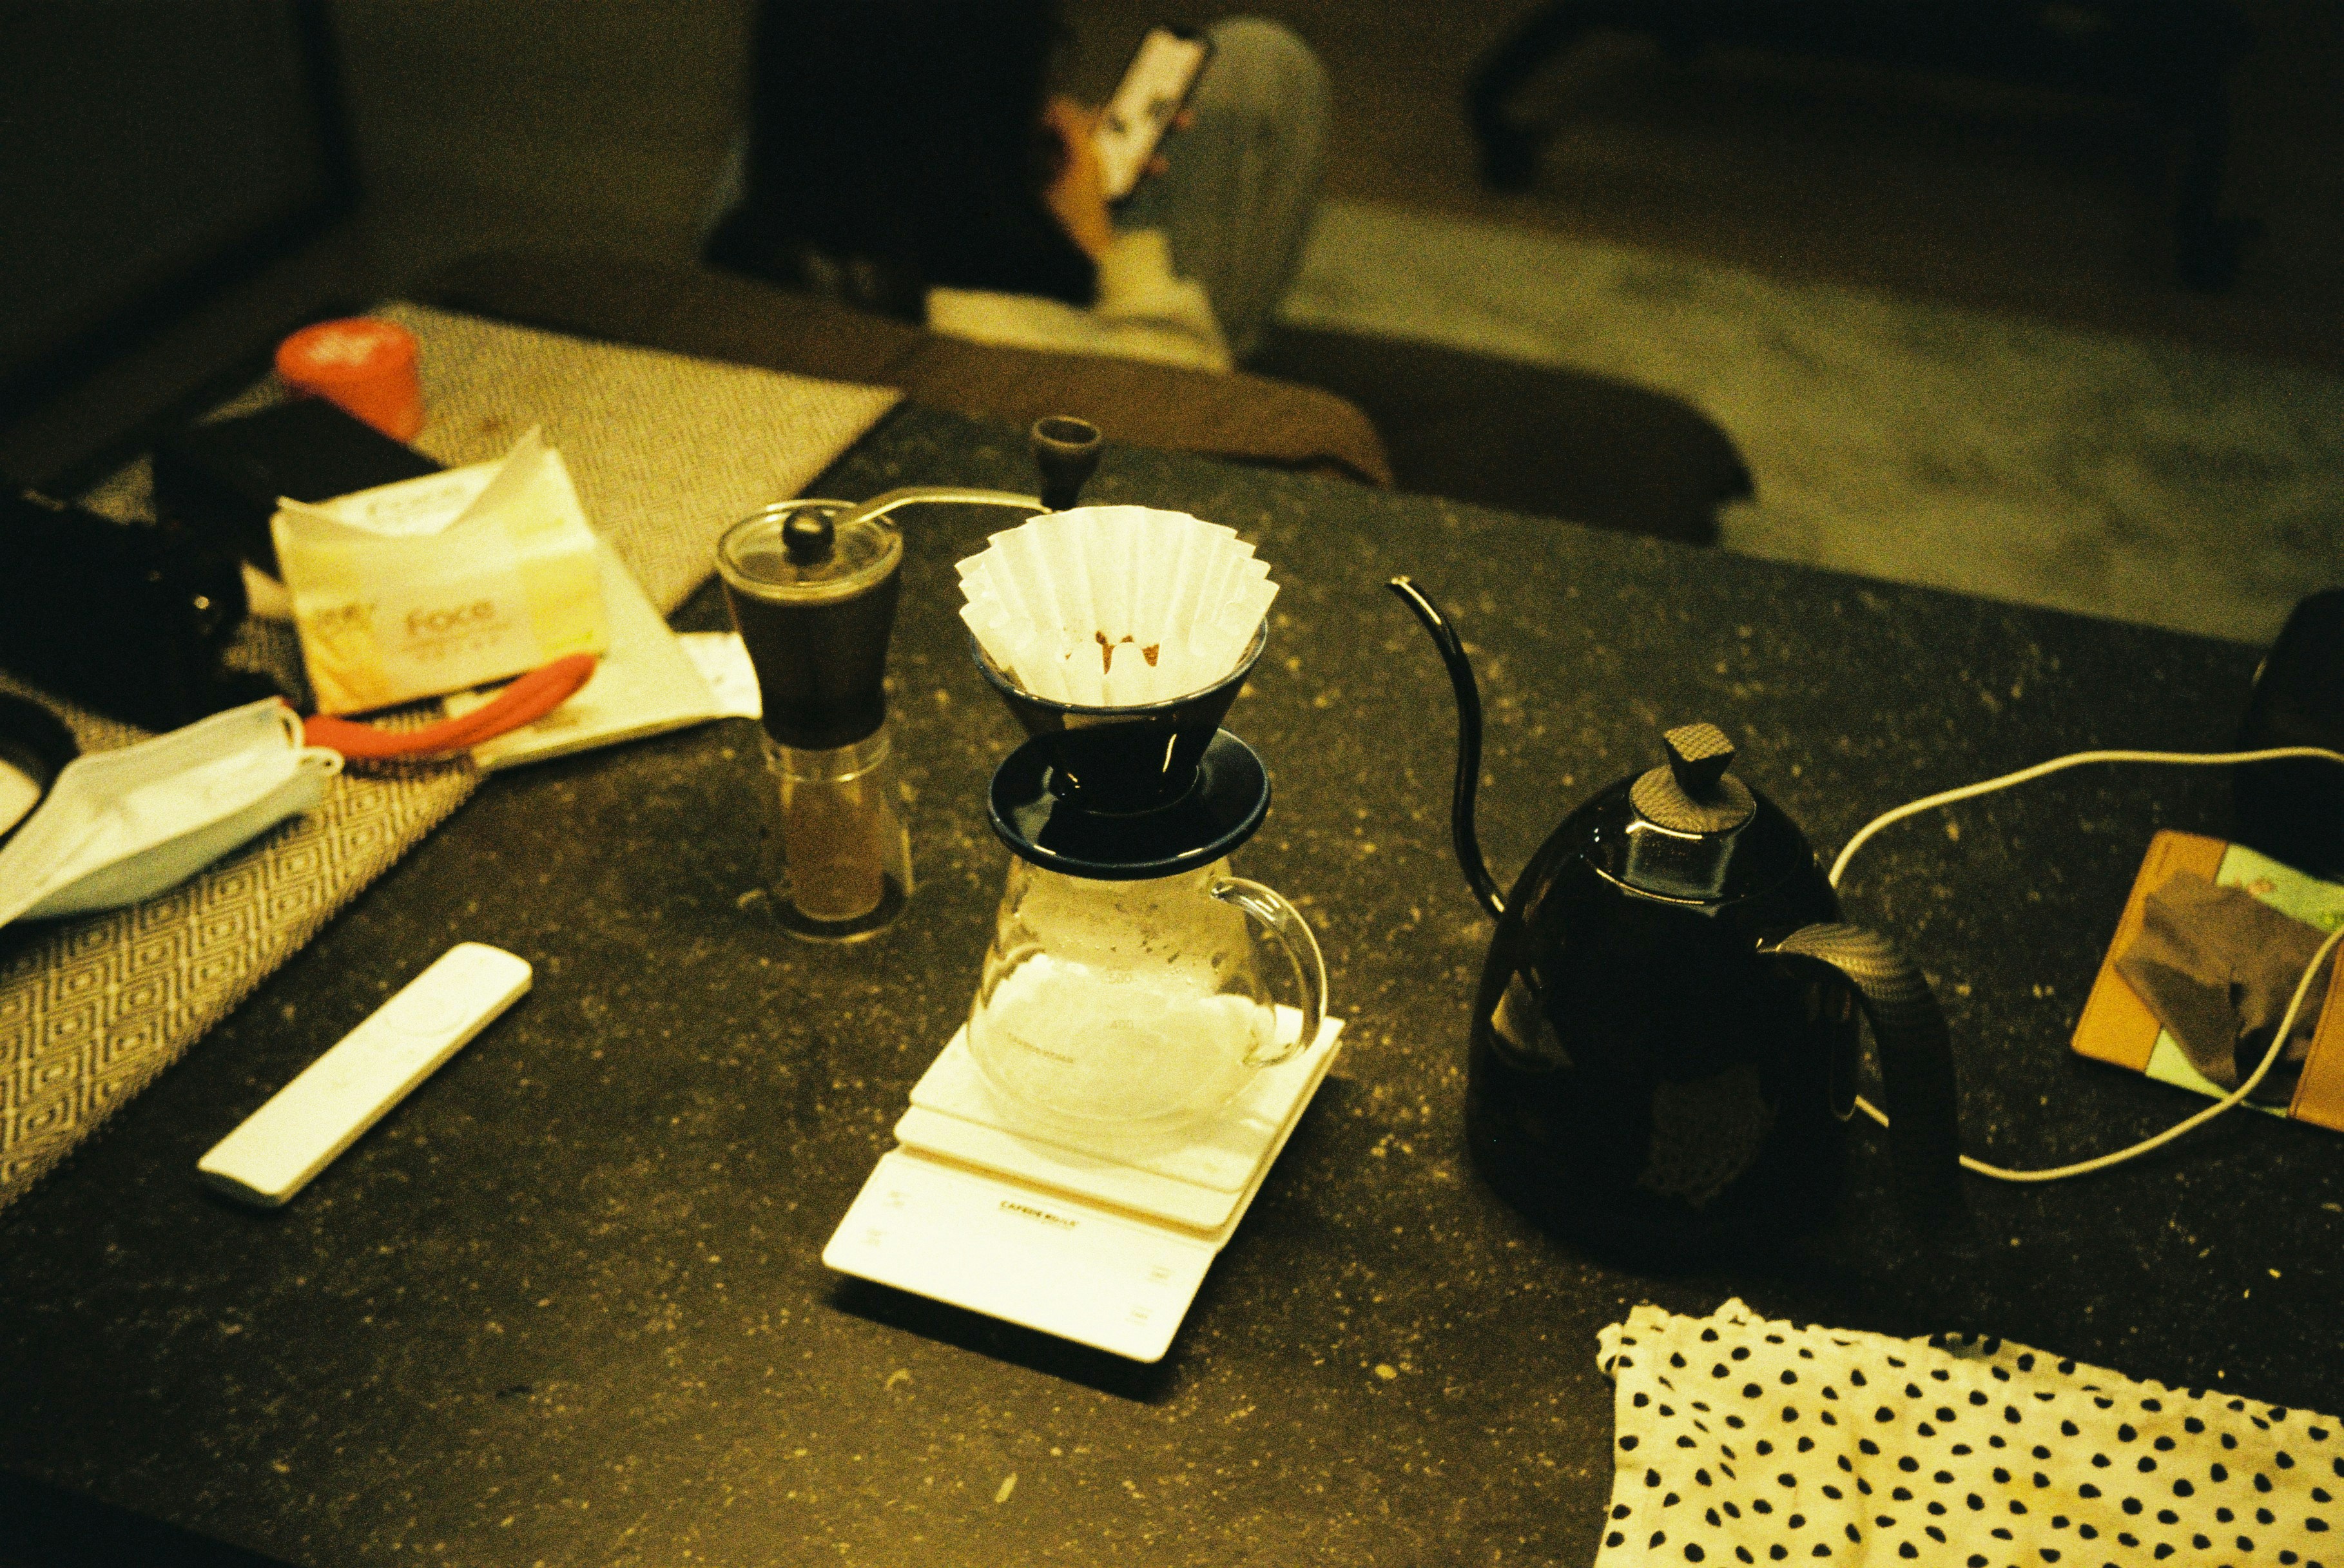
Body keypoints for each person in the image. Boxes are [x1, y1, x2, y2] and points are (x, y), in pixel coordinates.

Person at [702, 2, 1328, 373]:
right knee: (1267, 67)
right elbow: (1192, 388)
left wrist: (1006, 160)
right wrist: (1094, 241)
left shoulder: (737, 255)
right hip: (1064, 334)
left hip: (817, 237)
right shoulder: (1032, 355)